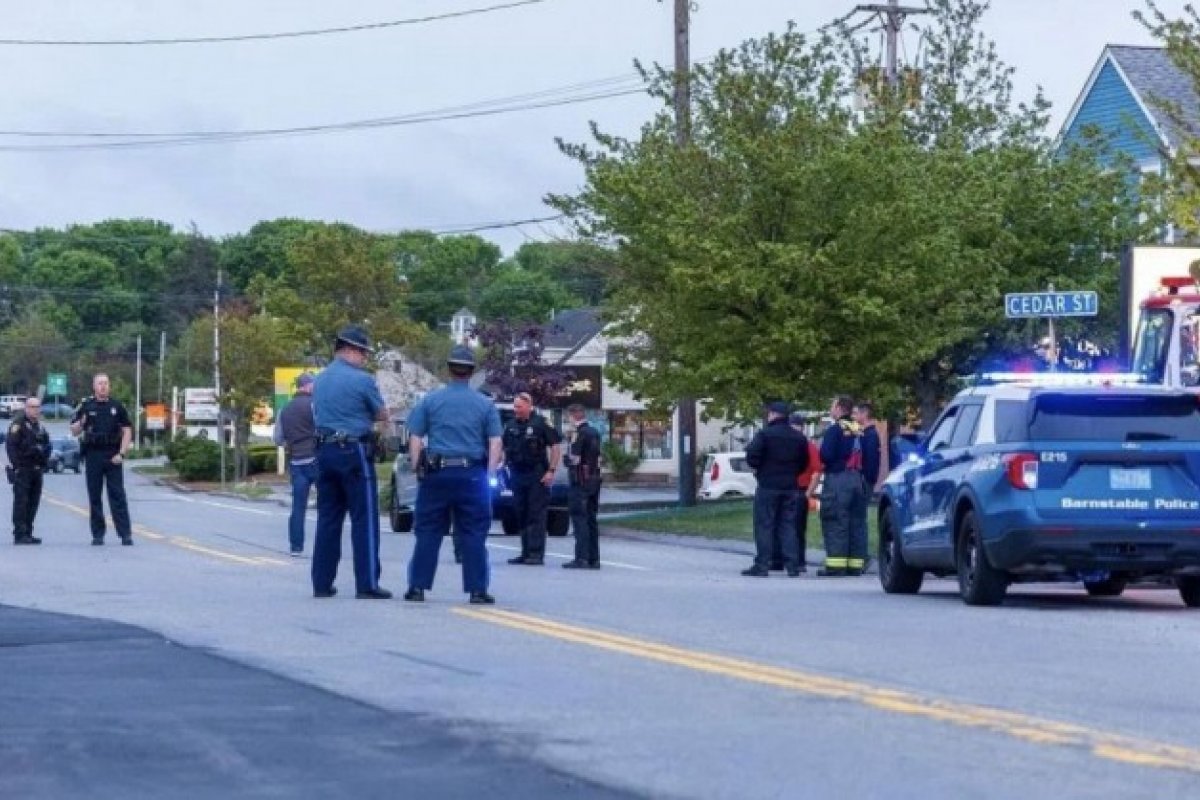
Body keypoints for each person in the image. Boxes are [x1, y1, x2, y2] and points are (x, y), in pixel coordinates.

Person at [404, 345, 502, 604]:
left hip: (437, 473)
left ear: (449, 370)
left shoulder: (430, 400)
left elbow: (415, 437)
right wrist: (489, 473)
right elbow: (495, 442)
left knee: (428, 531)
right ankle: (477, 589)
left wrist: (417, 467)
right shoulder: (484, 405)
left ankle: (417, 587)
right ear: (471, 372)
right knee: (473, 532)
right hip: (472, 474)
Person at [310, 326, 392, 600]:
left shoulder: (319, 380)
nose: (365, 358)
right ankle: (366, 583)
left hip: (324, 451)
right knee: (364, 519)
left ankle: (322, 582)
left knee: (328, 518)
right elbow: (381, 413)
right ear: (350, 350)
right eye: (363, 353)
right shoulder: (362, 380)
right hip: (353, 451)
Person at [742, 401, 809, 578]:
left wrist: (761, 468)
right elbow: (804, 462)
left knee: (765, 525)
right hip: (791, 486)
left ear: (772, 414)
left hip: (768, 486)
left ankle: (763, 564)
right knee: (788, 525)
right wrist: (792, 473)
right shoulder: (799, 437)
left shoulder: (765, 434)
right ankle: (793, 565)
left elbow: (752, 457)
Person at [70, 374, 134, 546]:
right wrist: (81, 423)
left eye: (106, 383)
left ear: (109, 386)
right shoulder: (85, 405)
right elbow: (74, 431)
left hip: (112, 454)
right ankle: (98, 534)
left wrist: (122, 453)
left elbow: (127, 430)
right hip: (93, 455)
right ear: (94, 386)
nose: (103, 386)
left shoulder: (117, 406)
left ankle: (125, 534)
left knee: (117, 495)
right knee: (94, 496)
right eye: (100, 383)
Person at [503, 392, 562, 566]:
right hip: (517, 474)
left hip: (537, 475)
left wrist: (551, 470)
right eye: (515, 406)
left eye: (519, 407)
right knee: (521, 513)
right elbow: (504, 446)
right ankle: (525, 551)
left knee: (536, 514)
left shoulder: (541, 423)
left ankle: (536, 553)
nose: (516, 410)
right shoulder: (511, 425)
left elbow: (556, 447)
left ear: (529, 406)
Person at [818, 396, 866, 577]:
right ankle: (855, 565)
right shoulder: (858, 429)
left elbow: (826, 454)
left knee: (836, 520)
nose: (831, 409)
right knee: (856, 522)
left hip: (838, 479)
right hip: (857, 479)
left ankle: (836, 565)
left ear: (839, 408)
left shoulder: (835, 430)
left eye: (832, 406)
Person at [769, 411, 822, 572]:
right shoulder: (783, 444)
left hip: (799, 490)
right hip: (784, 488)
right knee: (778, 525)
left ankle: (798, 561)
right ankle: (778, 559)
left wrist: (808, 494)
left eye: (797, 428)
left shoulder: (808, 446)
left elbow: (818, 471)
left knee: (797, 527)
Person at [274, 372, 317, 557]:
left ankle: (296, 546)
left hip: (296, 462)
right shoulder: (315, 406)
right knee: (329, 505)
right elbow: (322, 428)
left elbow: (277, 439)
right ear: (308, 386)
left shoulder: (284, 410)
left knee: (298, 507)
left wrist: (291, 443)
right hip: (316, 460)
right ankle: (325, 546)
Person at [562, 403, 602, 569]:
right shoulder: (595, 432)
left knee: (580, 519)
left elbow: (575, 458)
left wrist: (566, 459)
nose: (568, 420)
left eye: (568, 416)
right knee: (592, 519)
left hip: (580, 481)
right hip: (594, 479)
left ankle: (582, 557)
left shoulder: (579, 434)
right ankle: (594, 558)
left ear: (574, 415)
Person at [6, 397, 50, 545]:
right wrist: (16, 466)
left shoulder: (40, 426)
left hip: (37, 470)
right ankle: (19, 533)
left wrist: (45, 460)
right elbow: (11, 446)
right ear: (26, 408)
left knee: (33, 502)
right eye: (32, 407)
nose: (35, 410)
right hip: (23, 469)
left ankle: (28, 532)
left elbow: (46, 445)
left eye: (37, 407)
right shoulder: (18, 425)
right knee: (21, 502)